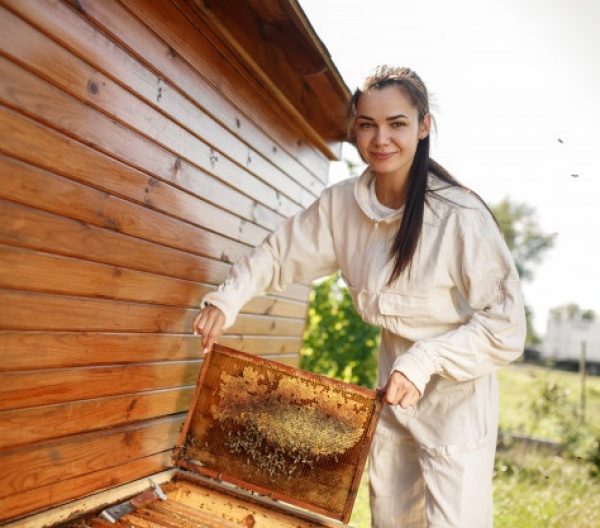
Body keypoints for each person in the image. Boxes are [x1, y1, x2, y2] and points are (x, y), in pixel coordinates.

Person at [193, 65, 526, 527]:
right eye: (367, 124)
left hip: (456, 398)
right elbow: (279, 253)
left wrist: (425, 361)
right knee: (391, 520)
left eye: (397, 124)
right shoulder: (341, 206)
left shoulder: (459, 215)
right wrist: (226, 300)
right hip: (393, 391)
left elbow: (506, 327)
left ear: (424, 126)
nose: (380, 139)